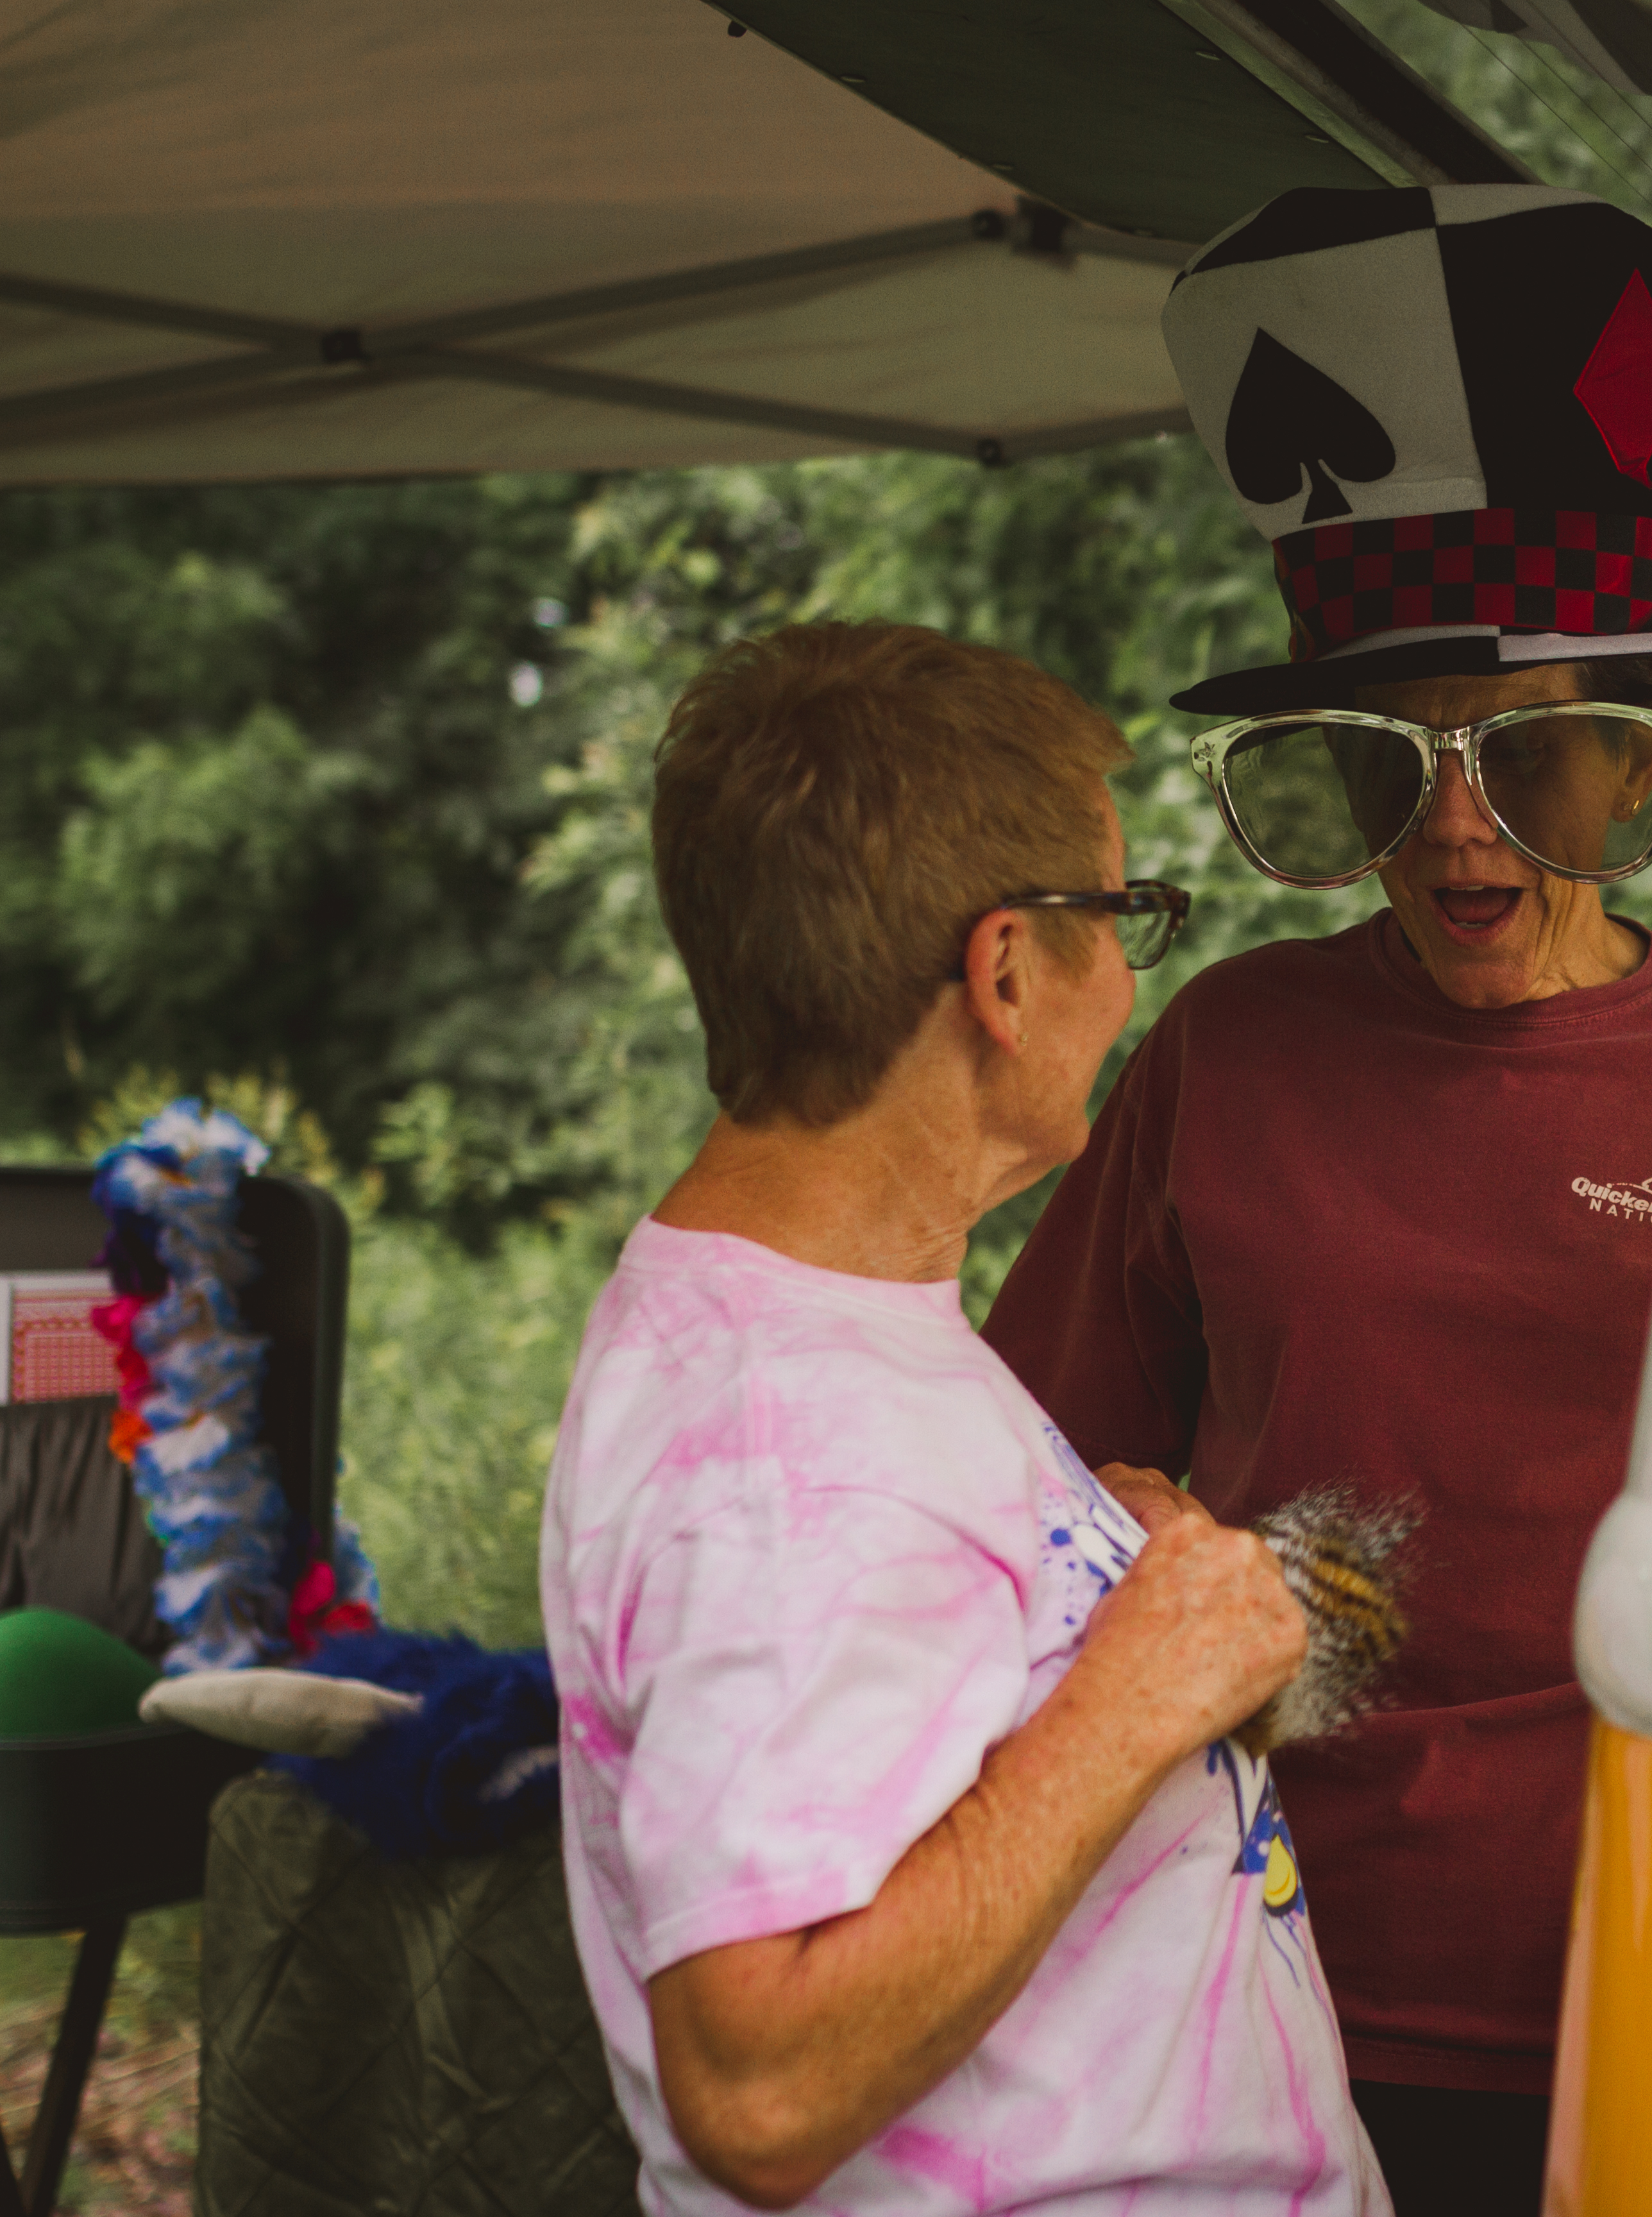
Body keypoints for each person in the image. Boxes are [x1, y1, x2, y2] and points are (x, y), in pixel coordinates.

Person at [982, 185, 1652, 2213]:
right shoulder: (1226, 1050)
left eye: (1525, 758)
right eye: (1387, 761)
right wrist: (1142, 1536)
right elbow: (1032, 1472)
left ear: (1627, 764)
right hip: (1262, 1958)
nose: (1456, 831)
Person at [540, 622, 1385, 2216]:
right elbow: (759, 2083)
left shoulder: (816, 1321)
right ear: (1004, 972)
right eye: (1126, 916)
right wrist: (1141, 1683)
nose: (1136, 976)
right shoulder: (788, 1448)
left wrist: (1102, 1600)